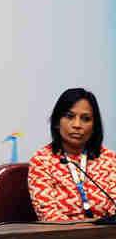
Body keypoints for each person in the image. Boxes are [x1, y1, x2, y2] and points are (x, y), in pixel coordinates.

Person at [28, 88, 116, 221]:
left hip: (106, 236)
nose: (77, 125)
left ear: (94, 126)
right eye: (70, 116)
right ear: (57, 122)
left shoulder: (109, 159)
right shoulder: (42, 161)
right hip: (63, 238)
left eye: (86, 119)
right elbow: (48, 215)